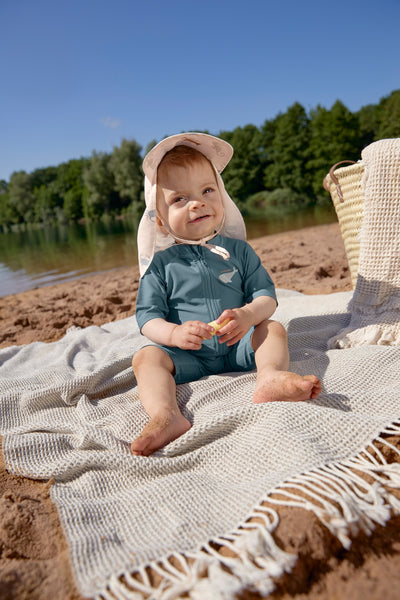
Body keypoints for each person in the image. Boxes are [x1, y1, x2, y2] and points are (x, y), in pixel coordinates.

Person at [132, 133, 321, 456]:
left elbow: (267, 296)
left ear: (222, 196)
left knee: (272, 328)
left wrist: (248, 315)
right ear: (160, 222)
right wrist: (175, 334)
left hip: (238, 346)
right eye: (179, 199)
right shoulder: (162, 265)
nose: (197, 202)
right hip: (188, 355)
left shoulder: (239, 252)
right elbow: (147, 317)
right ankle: (166, 414)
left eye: (207, 190)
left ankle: (270, 376)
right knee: (146, 358)